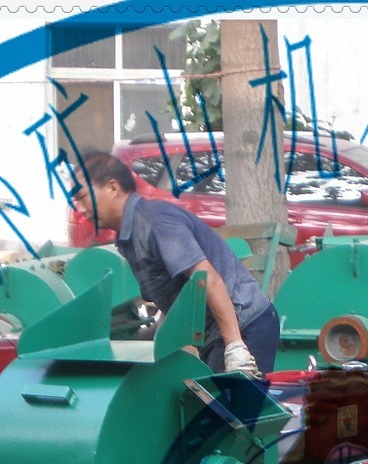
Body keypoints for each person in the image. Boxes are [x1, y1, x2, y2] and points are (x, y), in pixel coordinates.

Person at [73, 150, 279, 378]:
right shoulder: (128, 237)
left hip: (244, 325)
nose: (80, 209)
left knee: (231, 402)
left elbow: (207, 279)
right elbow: (171, 302)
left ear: (113, 188)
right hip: (217, 334)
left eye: (82, 197)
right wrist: (160, 352)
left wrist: (236, 348)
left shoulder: (155, 223)